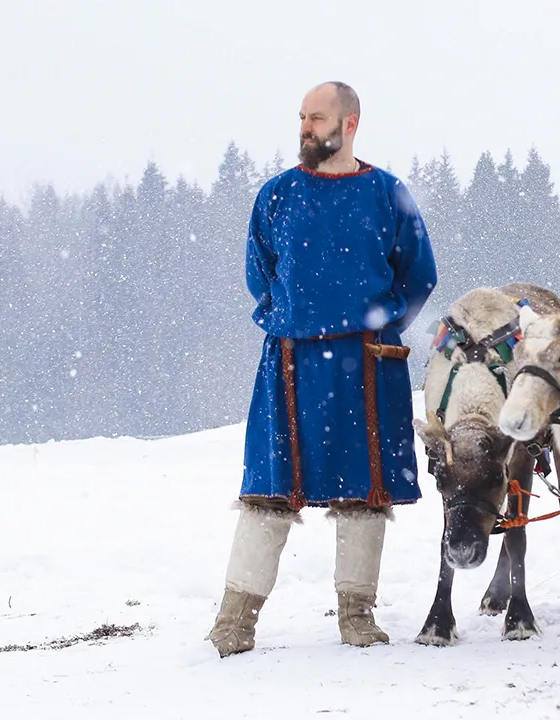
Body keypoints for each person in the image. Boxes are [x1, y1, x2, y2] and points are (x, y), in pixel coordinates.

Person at [206, 81, 438, 657]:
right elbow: (258, 272)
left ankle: (357, 615)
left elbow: (419, 275)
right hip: (288, 361)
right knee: (267, 488)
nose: (306, 128)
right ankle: (235, 620)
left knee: (364, 491)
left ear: (350, 123)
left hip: (366, 363)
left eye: (317, 118)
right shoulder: (278, 195)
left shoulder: (387, 193)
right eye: (302, 118)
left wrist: (377, 327)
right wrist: (290, 318)